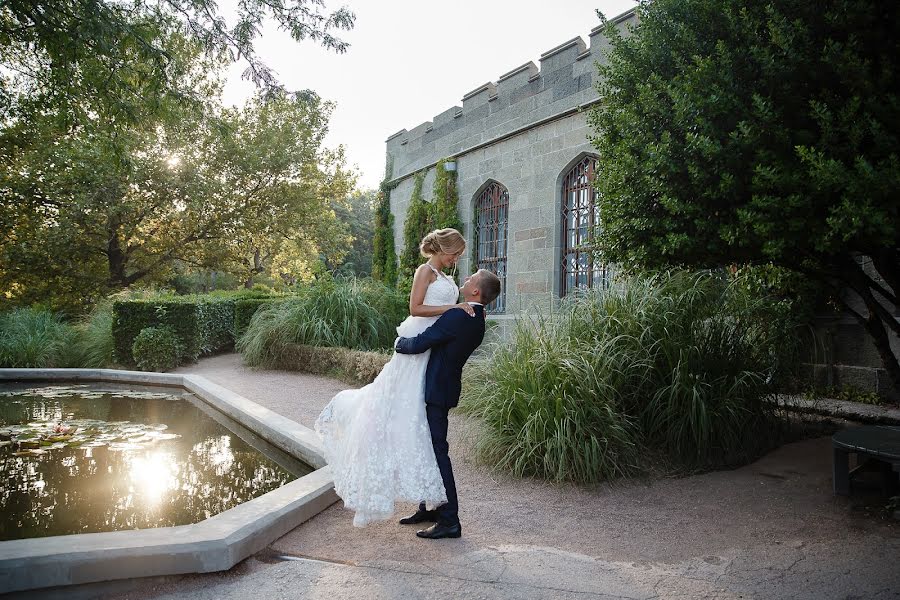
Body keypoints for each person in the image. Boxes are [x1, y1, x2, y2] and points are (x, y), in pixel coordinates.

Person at [314, 228, 476, 527]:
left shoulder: (446, 278)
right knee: (401, 411)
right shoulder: (424, 271)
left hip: (432, 343)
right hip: (417, 338)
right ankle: (428, 506)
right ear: (442, 250)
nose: (456, 259)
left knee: (417, 425)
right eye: (455, 253)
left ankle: (427, 504)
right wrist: (452, 308)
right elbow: (415, 308)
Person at [395, 267, 501, 540]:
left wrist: (398, 343)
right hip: (445, 387)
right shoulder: (477, 317)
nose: (465, 280)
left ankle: (449, 519)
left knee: (438, 452)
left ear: (476, 291)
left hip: (436, 391)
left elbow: (421, 343)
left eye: (471, 279)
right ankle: (429, 507)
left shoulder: (458, 316)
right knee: (427, 448)